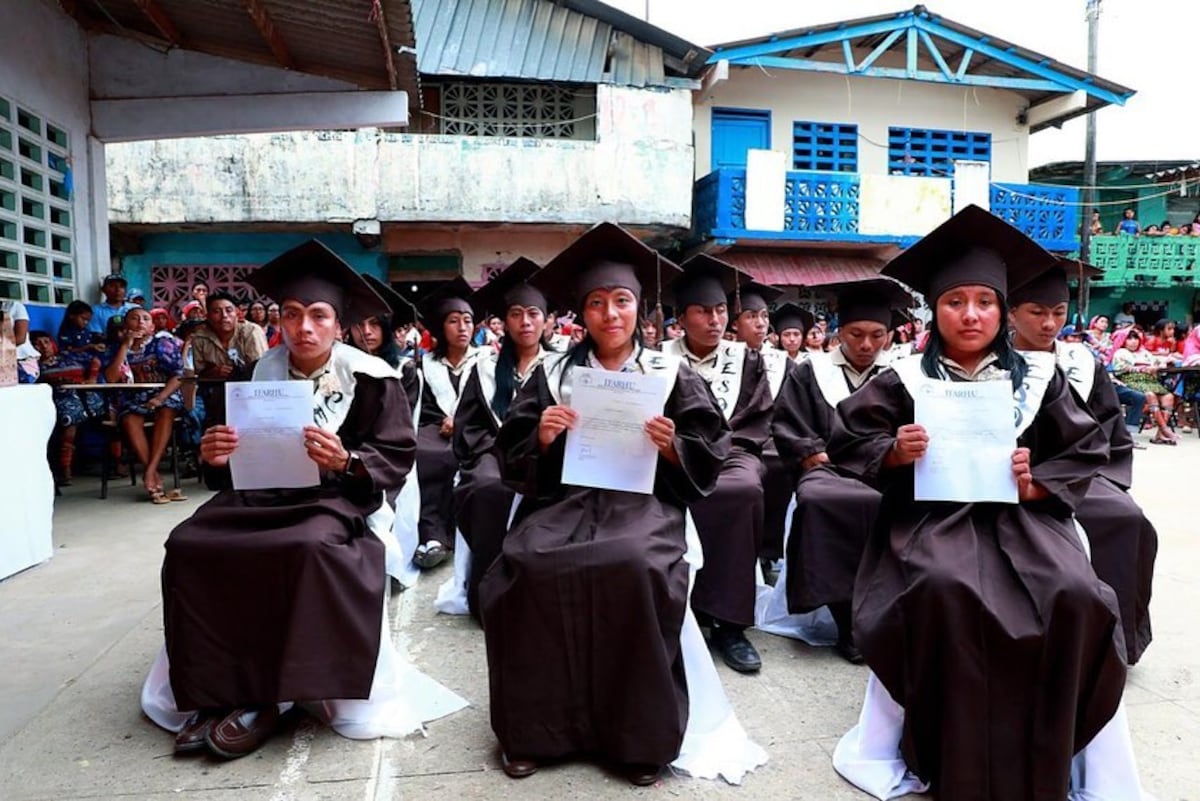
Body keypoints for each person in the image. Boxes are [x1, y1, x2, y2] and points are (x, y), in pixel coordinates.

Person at [830, 206, 1134, 801]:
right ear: (935, 311)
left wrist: (1035, 480)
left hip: (1022, 520)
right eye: (954, 301)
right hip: (931, 520)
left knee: (1075, 595)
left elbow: (1084, 449)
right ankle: (954, 758)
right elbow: (847, 440)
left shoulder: (1038, 382)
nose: (970, 314)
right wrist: (894, 451)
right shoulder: (902, 380)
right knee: (945, 588)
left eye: (985, 302)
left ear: (1001, 311)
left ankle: (1047, 753)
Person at [143, 239, 465, 760]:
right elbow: (225, 472)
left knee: (310, 547)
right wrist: (215, 456)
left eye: (318, 315)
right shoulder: (255, 375)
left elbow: (394, 458)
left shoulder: (372, 379)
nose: (304, 327)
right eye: (291, 315)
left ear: (340, 325)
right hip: (257, 498)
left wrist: (346, 461)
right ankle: (213, 691)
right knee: (189, 543)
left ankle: (275, 695)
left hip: (334, 502)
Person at [480, 222, 766, 785]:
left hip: (644, 503)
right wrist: (539, 437)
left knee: (635, 565)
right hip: (565, 501)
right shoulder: (555, 373)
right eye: (596, 303)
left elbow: (712, 445)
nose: (610, 314)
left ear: (640, 308)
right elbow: (508, 450)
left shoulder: (668, 372)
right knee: (528, 565)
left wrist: (674, 446)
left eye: (622, 301)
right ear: (580, 314)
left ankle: (636, 737)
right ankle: (534, 730)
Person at [1008, 261, 1158, 665]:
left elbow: (1110, 431)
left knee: (1126, 518)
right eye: (1037, 312)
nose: (1049, 323)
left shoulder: (1082, 363)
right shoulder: (995, 363)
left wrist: (1090, 476)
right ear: (1012, 313)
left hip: (1078, 474)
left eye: (1058, 312)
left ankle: (1116, 643)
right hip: (1009, 475)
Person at [763, 279, 911, 664]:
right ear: (838, 332)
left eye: (877, 335)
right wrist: (810, 453)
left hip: (888, 469)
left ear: (890, 335)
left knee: (899, 504)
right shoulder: (812, 371)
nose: (866, 345)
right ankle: (845, 619)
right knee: (822, 500)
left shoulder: (904, 374)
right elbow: (788, 424)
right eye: (856, 334)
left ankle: (892, 612)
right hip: (828, 469)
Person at [661, 254, 773, 674]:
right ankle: (676, 613)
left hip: (733, 454)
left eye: (721, 310)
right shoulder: (657, 358)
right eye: (702, 311)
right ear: (682, 318)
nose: (714, 320)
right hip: (671, 455)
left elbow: (756, 416)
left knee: (741, 491)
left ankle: (730, 624)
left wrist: (717, 451)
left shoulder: (746, 358)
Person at [441, 258, 550, 618]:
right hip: (494, 451)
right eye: (516, 314)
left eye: (534, 313)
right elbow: (469, 426)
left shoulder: (560, 368)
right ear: (504, 322)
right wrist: (497, 452)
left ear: (547, 320)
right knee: (488, 486)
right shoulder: (485, 368)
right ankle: (488, 594)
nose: (526, 322)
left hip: (546, 454)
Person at [413, 278, 482, 569]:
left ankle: (456, 534)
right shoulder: (423, 364)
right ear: (441, 327)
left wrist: (462, 421)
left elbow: (492, 405)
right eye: (454, 321)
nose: (463, 327)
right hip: (436, 429)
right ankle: (432, 536)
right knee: (426, 454)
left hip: (476, 430)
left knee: (463, 458)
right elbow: (422, 408)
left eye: (467, 320)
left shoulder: (486, 361)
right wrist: (444, 420)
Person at [727, 281, 793, 571]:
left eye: (765, 316)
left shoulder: (783, 363)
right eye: (751, 316)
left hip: (772, 438)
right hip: (736, 439)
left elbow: (790, 411)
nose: (760, 323)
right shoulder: (724, 360)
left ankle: (767, 549)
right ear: (735, 323)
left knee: (780, 462)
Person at [101, 307, 186, 502]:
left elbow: (179, 376)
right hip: (134, 398)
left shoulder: (161, 344)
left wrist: (160, 397)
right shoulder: (116, 348)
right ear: (125, 325)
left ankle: (149, 472)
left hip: (164, 395)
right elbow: (111, 378)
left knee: (166, 411)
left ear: (152, 326)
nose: (140, 322)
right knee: (130, 418)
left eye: (145, 319)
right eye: (134, 318)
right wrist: (126, 345)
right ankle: (153, 474)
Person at [1111, 327, 1178, 444]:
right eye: (1129, 339)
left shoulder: (1144, 352)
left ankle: (1160, 435)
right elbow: (1121, 369)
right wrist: (1144, 368)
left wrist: (1158, 365)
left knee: (1169, 397)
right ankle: (1164, 429)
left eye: (1136, 338)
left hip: (1150, 381)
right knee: (1150, 395)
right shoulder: (1120, 352)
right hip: (1131, 380)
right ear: (1123, 340)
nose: (1133, 341)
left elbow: (1158, 363)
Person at [190, 291, 269, 383]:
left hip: (251, 388)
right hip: (214, 389)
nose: (224, 316)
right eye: (216, 312)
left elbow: (262, 369)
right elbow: (199, 372)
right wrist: (213, 372)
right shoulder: (200, 337)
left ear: (237, 313)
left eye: (229, 310)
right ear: (208, 316)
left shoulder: (251, 331)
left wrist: (237, 373)